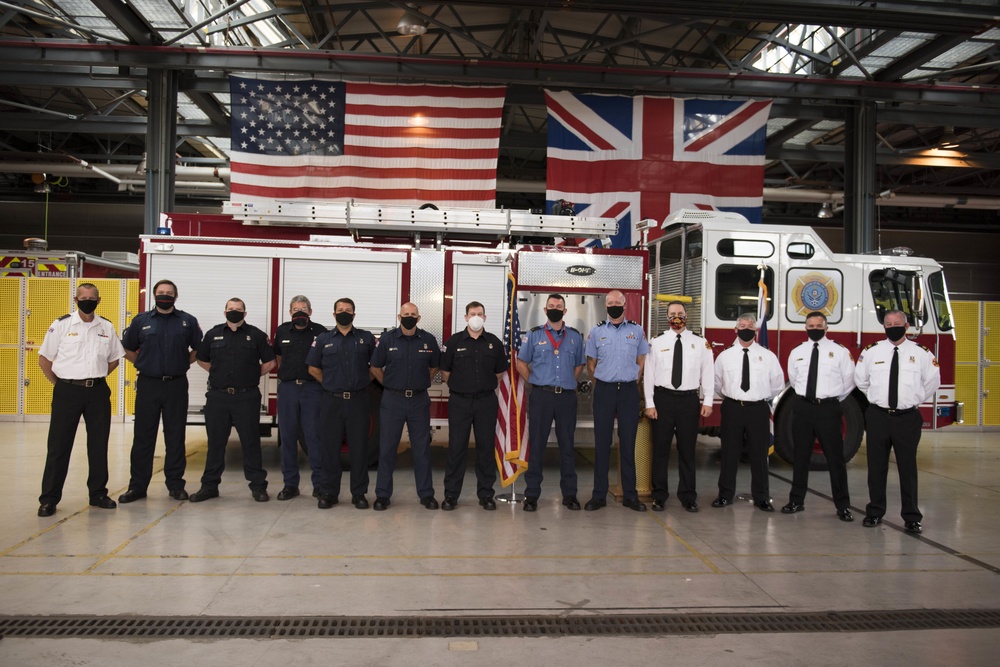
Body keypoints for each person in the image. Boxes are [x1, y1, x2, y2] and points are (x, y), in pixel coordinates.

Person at [36, 283, 126, 517]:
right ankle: (49, 499)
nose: (87, 300)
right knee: (58, 446)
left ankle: (98, 494)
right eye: (83, 297)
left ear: (99, 300)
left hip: (97, 391)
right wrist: (62, 385)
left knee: (98, 445)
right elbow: (44, 359)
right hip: (67, 391)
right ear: (75, 300)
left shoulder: (106, 326)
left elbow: (115, 358)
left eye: (92, 297)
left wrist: (95, 377)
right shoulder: (62, 324)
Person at [855, 309, 940, 533]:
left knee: (908, 468)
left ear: (907, 326)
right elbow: (861, 380)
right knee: (876, 467)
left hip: (907, 418)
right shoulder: (872, 351)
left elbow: (932, 381)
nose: (893, 326)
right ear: (884, 327)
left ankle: (912, 516)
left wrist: (913, 399)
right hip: (878, 416)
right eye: (888, 323)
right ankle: (874, 512)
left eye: (897, 323)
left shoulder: (921, 353)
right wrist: (877, 399)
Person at [118, 279, 202, 504]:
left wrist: (183, 362)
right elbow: (126, 347)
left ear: (176, 296)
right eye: (161, 292)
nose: (165, 295)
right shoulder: (141, 321)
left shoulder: (187, 321)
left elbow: (199, 348)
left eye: (169, 292)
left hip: (176, 385)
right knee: (143, 437)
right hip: (148, 384)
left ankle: (175, 485)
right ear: (154, 295)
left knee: (175, 437)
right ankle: (137, 487)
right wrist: (142, 362)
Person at [189, 298, 276, 503]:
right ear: (224, 312)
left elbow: (271, 361)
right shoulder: (213, 334)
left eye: (238, 310)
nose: (234, 312)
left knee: (251, 443)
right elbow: (201, 358)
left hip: (247, 396)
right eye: (231, 309)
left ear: (245, 314)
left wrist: (253, 375)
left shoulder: (255, 335)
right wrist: (217, 373)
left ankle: (258, 487)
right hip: (218, 397)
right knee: (216, 444)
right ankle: (209, 487)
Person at [782, 311, 855, 521]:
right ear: (805, 328)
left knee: (835, 458)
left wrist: (830, 399)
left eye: (818, 325)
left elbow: (849, 381)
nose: (814, 329)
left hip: (828, 409)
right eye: (811, 325)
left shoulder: (839, 352)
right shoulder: (797, 352)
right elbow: (795, 381)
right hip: (803, 407)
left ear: (826, 328)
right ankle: (796, 500)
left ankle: (842, 506)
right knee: (800, 457)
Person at [516, 293, 586, 512]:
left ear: (565, 311)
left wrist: (565, 382)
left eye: (559, 306)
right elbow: (521, 362)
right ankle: (532, 495)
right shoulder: (534, 336)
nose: (555, 308)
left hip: (565, 397)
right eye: (551, 306)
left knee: (567, 446)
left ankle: (570, 495)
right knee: (536, 446)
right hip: (541, 397)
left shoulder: (575, 337)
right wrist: (536, 381)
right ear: (545, 310)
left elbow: (579, 365)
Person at [643, 301, 714, 512]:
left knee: (687, 451)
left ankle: (688, 496)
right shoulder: (655, 343)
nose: (677, 317)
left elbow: (707, 373)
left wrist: (708, 400)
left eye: (680, 313)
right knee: (661, 451)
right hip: (663, 400)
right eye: (672, 313)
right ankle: (659, 495)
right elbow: (649, 375)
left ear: (686, 316)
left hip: (688, 401)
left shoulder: (701, 343)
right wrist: (649, 403)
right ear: (666, 317)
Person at [306, 297, 376, 510]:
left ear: (354, 314)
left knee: (359, 449)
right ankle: (328, 493)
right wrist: (329, 384)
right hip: (331, 402)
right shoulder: (323, 339)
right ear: (333, 314)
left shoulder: (366, 339)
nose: (344, 313)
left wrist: (362, 383)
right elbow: (312, 367)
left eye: (348, 310)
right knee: (329, 449)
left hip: (358, 401)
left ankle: (359, 493)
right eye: (340, 310)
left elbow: (375, 367)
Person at [370, 302, 441, 511]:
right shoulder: (387, 339)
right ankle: (382, 495)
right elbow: (375, 366)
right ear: (399, 317)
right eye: (405, 314)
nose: (409, 317)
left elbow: (435, 365)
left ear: (419, 318)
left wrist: (421, 382)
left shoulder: (428, 340)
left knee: (421, 450)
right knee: (387, 449)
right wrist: (389, 384)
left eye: (413, 314)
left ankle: (426, 494)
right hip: (393, 400)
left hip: (419, 400)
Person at [584, 290, 649, 512]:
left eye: (617, 302)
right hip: (605, 391)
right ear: (606, 306)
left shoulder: (637, 331)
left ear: (624, 305)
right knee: (602, 444)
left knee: (628, 443)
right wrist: (602, 382)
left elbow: (642, 359)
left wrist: (634, 379)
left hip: (629, 392)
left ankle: (631, 496)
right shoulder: (596, 331)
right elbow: (590, 363)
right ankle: (598, 495)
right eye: (610, 303)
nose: (613, 305)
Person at [711, 313, 784, 512]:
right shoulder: (725, 356)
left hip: (758, 409)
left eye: (750, 325)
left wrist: (758, 396)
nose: (746, 328)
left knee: (759, 455)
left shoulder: (768, 356)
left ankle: (762, 497)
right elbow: (717, 384)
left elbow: (777, 384)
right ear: (735, 329)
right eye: (742, 325)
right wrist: (734, 397)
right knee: (729, 453)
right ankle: (725, 495)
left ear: (756, 330)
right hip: (733, 407)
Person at [439, 301, 507, 511]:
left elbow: (499, 372)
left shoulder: (494, 343)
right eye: (472, 314)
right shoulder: (454, 342)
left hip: (486, 402)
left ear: (485, 318)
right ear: (466, 317)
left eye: (480, 314)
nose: (476, 317)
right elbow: (445, 372)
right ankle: (451, 495)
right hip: (460, 402)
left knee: (486, 449)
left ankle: (486, 494)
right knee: (456, 449)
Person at [272, 296, 326, 502]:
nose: (299, 312)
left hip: (312, 389)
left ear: (310, 312)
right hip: (287, 390)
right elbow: (279, 357)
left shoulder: (320, 332)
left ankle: (319, 485)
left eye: (303, 309)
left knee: (314, 437)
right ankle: (290, 485)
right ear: (290, 312)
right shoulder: (282, 331)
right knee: (287, 437)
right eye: (295, 309)